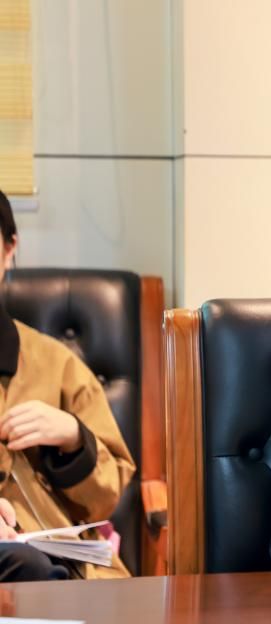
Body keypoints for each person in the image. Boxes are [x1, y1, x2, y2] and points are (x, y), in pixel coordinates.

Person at [0, 190, 135, 580]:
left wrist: (75, 439)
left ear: (9, 249)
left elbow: (108, 498)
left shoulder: (57, 364)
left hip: (65, 565)